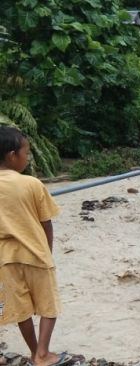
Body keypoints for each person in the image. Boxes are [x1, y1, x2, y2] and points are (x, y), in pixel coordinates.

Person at [0, 126, 72, 366]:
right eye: (26, 152)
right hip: (36, 254)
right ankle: (43, 353)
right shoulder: (31, 184)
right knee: (48, 305)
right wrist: (48, 254)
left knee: (21, 309)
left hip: (6, 259)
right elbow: (46, 223)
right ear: (12, 156)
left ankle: (34, 353)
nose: (27, 157)